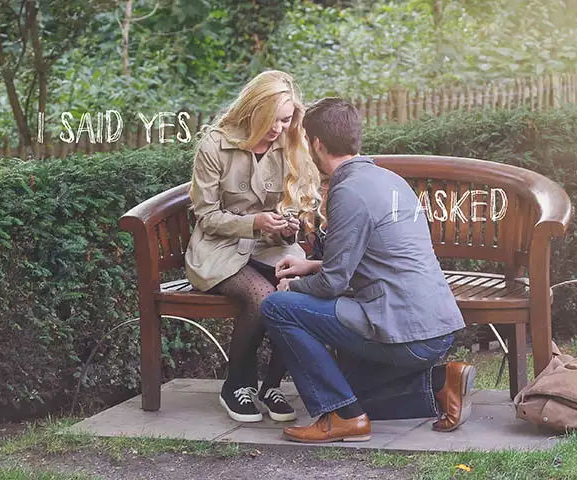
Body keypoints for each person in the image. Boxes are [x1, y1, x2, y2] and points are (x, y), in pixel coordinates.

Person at [261, 98, 475, 444]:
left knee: (276, 308)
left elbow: (333, 283)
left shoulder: (348, 191)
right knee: (350, 391)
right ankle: (441, 383)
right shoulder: (389, 180)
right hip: (436, 328)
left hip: (403, 330)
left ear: (317, 144)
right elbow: (377, 256)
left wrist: (293, 288)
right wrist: (310, 264)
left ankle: (343, 418)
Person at [184, 70, 322, 423]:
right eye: (272, 118)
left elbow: (293, 205)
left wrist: (288, 225)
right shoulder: (215, 144)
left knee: (292, 289)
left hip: (268, 245)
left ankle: (272, 386)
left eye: (286, 118)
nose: (279, 127)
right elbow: (206, 217)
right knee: (262, 296)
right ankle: (236, 386)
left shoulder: (289, 144)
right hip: (218, 247)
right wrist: (254, 222)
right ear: (253, 110)